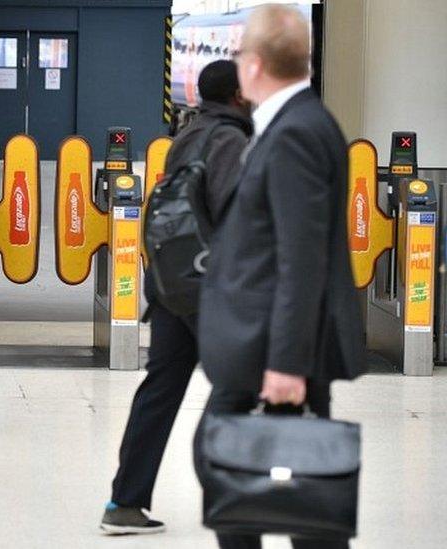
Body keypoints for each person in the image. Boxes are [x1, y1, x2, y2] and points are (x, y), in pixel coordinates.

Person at [194, 6, 365, 549]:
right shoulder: (297, 123)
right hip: (266, 341)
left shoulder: (294, 132)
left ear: (256, 64)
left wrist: (287, 365)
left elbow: (302, 256)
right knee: (287, 481)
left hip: (275, 347)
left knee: (263, 473)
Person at [100, 59, 253, 535]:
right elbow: (235, 212)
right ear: (237, 95)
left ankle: (124, 503)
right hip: (209, 287)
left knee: (160, 391)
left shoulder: (186, 136)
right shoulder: (230, 139)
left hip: (171, 284)